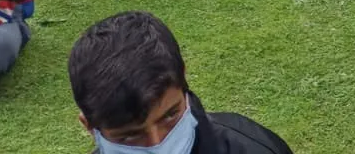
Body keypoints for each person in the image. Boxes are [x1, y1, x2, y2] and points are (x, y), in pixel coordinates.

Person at [69, 11, 293, 153]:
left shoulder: (252, 148)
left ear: (183, 77)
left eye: (170, 116)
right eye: (130, 135)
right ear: (89, 125)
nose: (158, 144)